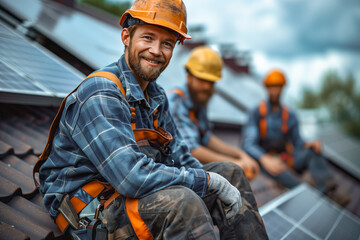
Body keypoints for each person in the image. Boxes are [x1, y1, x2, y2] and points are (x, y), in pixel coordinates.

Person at [34, 0, 268, 239]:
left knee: (231, 173)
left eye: (167, 43)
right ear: (126, 37)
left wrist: (214, 181)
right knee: (183, 203)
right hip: (87, 208)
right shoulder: (102, 92)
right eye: (147, 38)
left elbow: (181, 157)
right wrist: (208, 182)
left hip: (129, 194)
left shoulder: (157, 96)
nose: (156, 51)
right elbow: (131, 177)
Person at [241, 69, 350, 206]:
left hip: (286, 158)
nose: (275, 91)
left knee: (312, 153)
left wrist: (308, 145)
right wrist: (265, 159)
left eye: (278, 87)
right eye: (271, 87)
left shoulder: (289, 115)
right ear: (266, 89)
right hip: (265, 161)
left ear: (282, 88)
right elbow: (248, 143)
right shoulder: (257, 113)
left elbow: (297, 142)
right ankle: (313, 198)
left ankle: (329, 191)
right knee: (292, 181)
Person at [168, 46, 260, 180]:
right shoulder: (175, 103)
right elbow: (191, 150)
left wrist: (240, 155)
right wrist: (233, 163)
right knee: (231, 173)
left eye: (211, 82)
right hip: (173, 173)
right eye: (202, 80)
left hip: (190, 167)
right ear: (189, 76)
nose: (207, 86)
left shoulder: (198, 101)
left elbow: (206, 137)